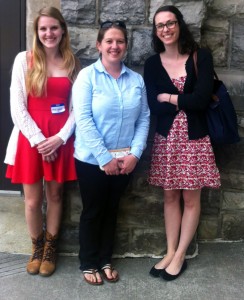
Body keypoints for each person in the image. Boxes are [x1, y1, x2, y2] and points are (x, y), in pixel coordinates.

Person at [144, 5, 221, 281]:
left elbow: (201, 100)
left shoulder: (201, 56)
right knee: (169, 195)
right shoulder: (153, 64)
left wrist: (170, 98)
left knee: (190, 197)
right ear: (156, 31)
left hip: (195, 140)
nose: (166, 29)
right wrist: (176, 102)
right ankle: (169, 250)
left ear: (179, 25)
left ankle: (181, 255)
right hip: (166, 140)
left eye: (170, 23)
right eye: (160, 25)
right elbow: (153, 104)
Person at [72, 20, 150, 285]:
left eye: (119, 41)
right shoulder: (87, 77)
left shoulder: (136, 80)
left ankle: (105, 259)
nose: (114, 46)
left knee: (112, 209)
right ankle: (88, 261)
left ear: (126, 46)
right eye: (109, 41)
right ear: (99, 45)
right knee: (93, 211)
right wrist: (104, 158)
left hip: (125, 161)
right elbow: (82, 119)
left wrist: (135, 154)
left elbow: (144, 119)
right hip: (92, 160)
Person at [4, 6, 80, 277]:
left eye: (54, 28)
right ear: (36, 32)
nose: (49, 33)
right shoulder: (23, 60)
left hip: (61, 139)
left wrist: (59, 139)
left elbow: (77, 109)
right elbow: (17, 107)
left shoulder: (71, 61)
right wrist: (39, 140)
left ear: (62, 30)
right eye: (43, 28)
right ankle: (36, 247)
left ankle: (51, 247)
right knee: (33, 200)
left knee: (56, 194)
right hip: (30, 138)